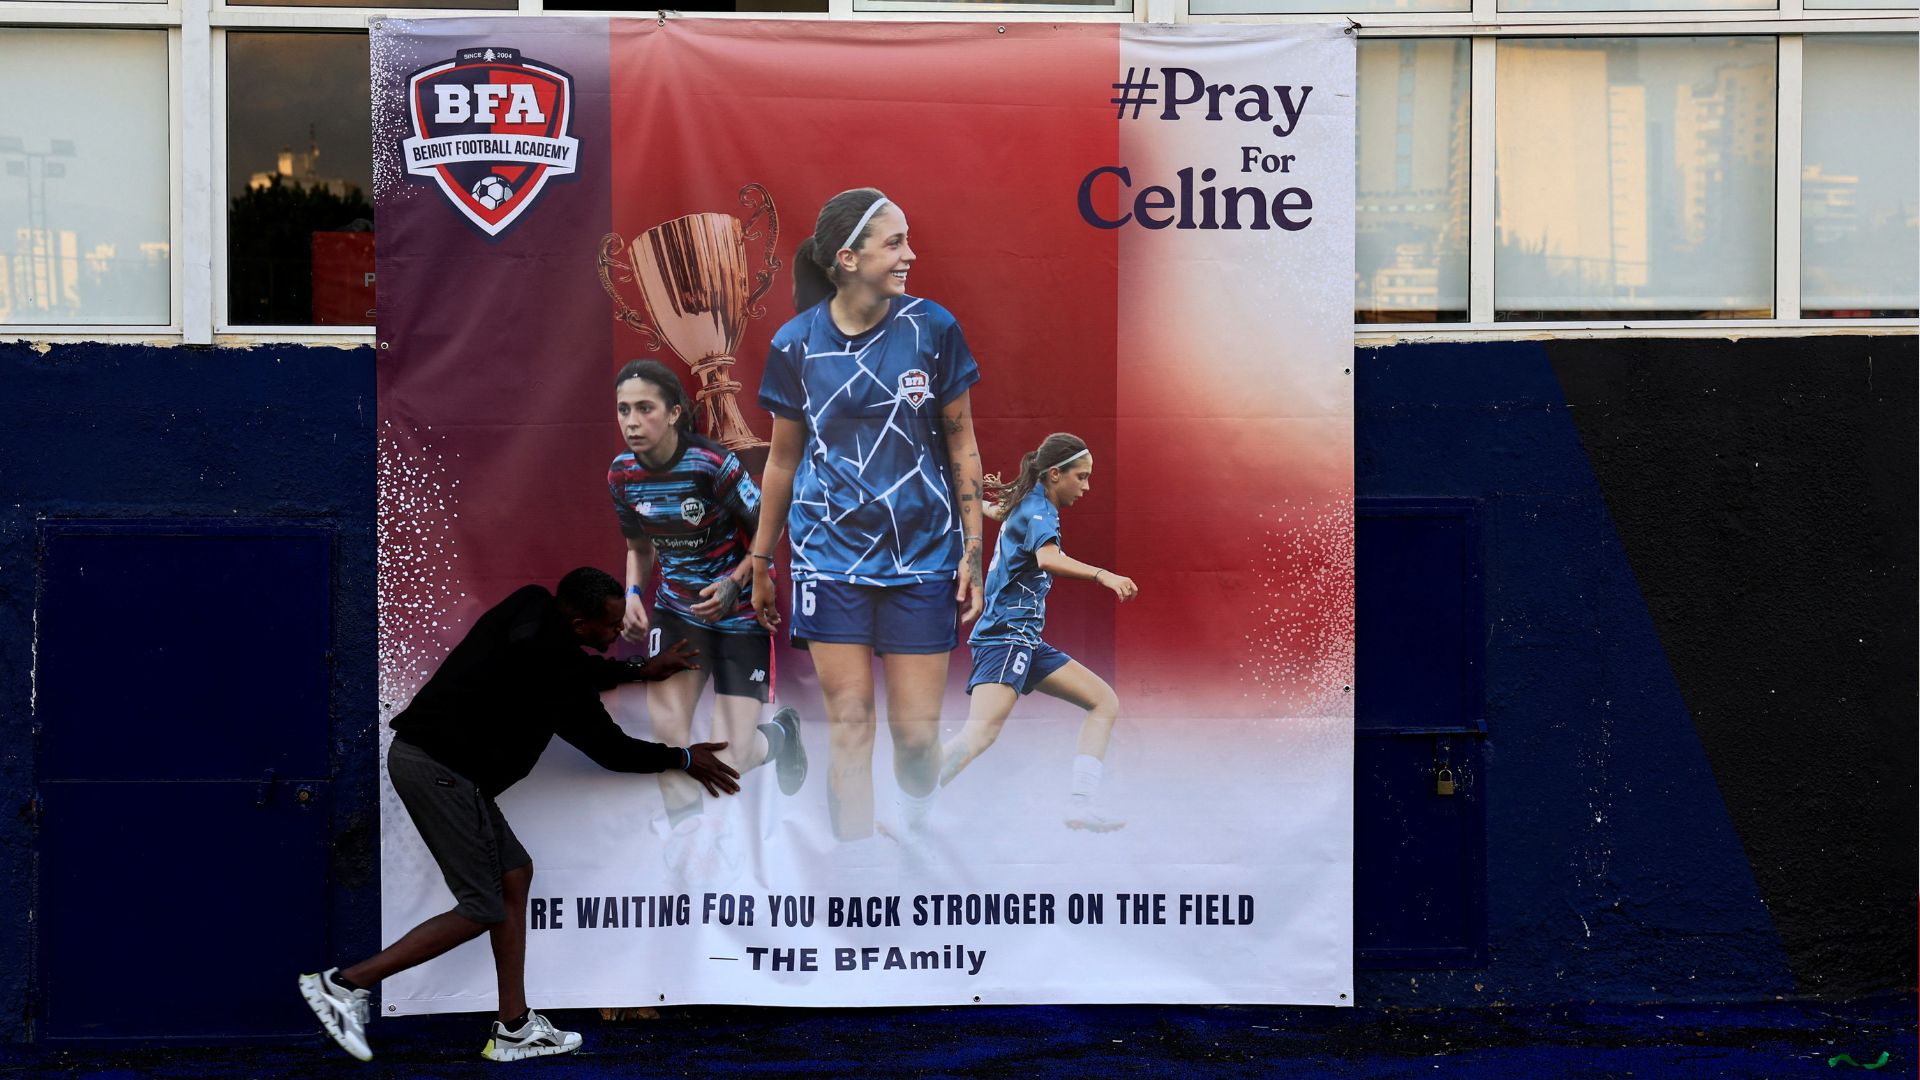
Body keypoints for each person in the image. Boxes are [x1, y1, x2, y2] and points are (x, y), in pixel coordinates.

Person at [297, 568, 738, 1063]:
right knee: (481, 906)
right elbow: (612, 750)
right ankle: (344, 984)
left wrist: (636, 672)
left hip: (446, 767)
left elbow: (567, 664)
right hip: (440, 772)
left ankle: (513, 1026)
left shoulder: (531, 604)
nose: (618, 635)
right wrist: (683, 758)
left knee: (514, 874)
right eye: (611, 627)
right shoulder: (559, 680)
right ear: (577, 623)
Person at [750, 187, 985, 842]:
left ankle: (915, 825)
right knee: (851, 725)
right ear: (847, 259)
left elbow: (961, 441)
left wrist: (973, 549)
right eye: (895, 242)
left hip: (924, 559)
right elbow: (781, 460)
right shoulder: (796, 344)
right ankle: (858, 881)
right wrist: (762, 558)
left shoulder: (931, 329)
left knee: (914, 740)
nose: (910, 254)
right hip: (829, 558)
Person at [607, 359, 808, 873]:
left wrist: (734, 583)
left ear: (673, 413)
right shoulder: (621, 475)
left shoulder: (711, 464)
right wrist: (633, 592)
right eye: (624, 409)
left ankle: (780, 735)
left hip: (740, 613)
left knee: (729, 756)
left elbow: (767, 533)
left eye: (644, 409)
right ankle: (688, 851)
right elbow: (638, 546)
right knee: (668, 742)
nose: (632, 421)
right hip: (677, 613)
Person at [938, 433, 1138, 831]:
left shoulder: (1026, 505)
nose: (1086, 487)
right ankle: (902, 804)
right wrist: (1102, 574)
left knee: (1103, 702)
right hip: (1006, 639)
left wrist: (967, 501)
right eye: (1080, 477)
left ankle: (1079, 805)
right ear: (1053, 474)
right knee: (978, 735)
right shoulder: (1040, 511)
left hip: (1024, 642)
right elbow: (1048, 558)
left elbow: (995, 512)